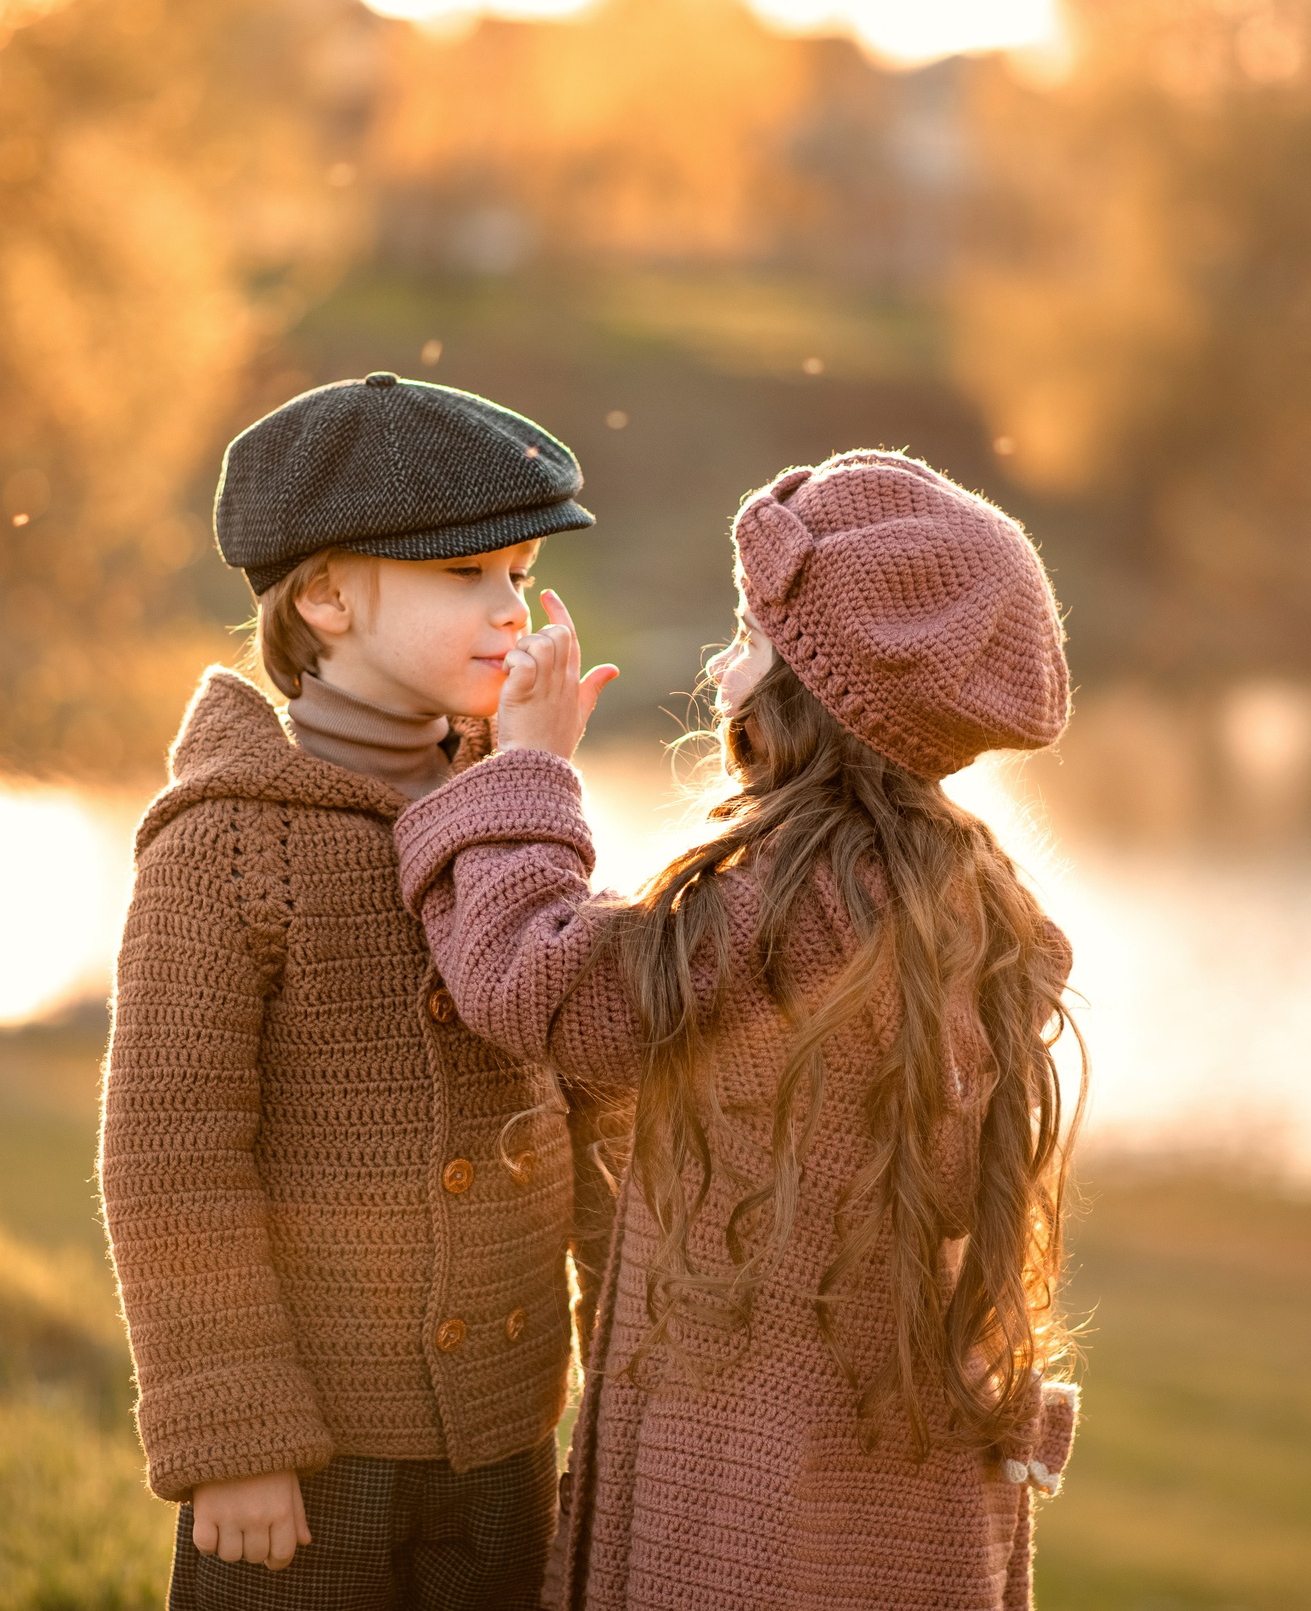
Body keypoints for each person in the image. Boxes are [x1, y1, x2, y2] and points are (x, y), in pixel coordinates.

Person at [394, 449, 1085, 1611]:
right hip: (897, 1432)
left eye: (747, 638)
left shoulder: (783, 900)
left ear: (812, 694)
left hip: (748, 1461)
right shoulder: (972, 898)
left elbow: (543, 986)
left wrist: (525, 770)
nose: (719, 667)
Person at [99, 372, 619, 1611]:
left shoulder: (516, 816)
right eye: (465, 577)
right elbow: (172, 1158)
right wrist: (237, 1439)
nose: (511, 610)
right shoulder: (227, 842)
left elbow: (596, 1087)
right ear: (326, 596)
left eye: (519, 572)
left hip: (505, 1433)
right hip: (309, 1451)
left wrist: (629, 1355)